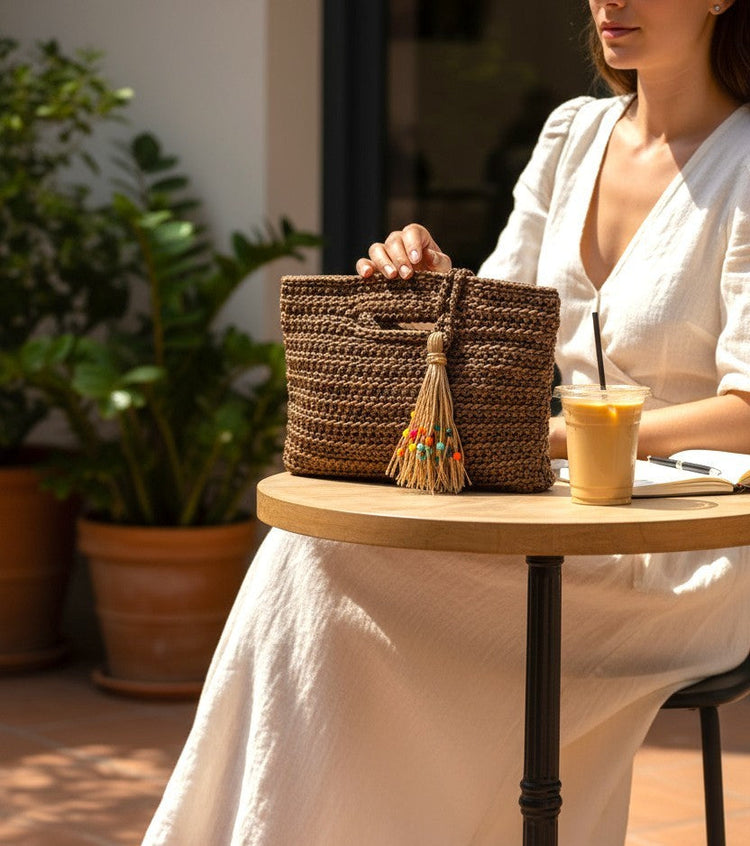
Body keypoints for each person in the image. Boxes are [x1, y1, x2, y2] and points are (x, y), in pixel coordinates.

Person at [142, 2, 750, 844]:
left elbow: (746, 411)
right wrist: (433, 283)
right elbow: (498, 327)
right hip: (545, 510)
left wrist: (562, 437)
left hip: (684, 552)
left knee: (329, 567)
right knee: (313, 549)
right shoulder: (573, 135)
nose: (609, 0)